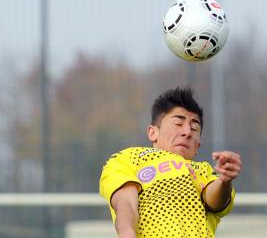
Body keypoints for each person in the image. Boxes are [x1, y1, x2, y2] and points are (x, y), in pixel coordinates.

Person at [99, 86, 242, 238]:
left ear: (198, 146)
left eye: (194, 128)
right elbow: (125, 202)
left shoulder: (205, 171)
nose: (187, 132)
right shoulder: (128, 158)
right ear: (153, 132)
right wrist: (127, 233)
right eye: (178, 124)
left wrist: (225, 180)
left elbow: (215, 202)